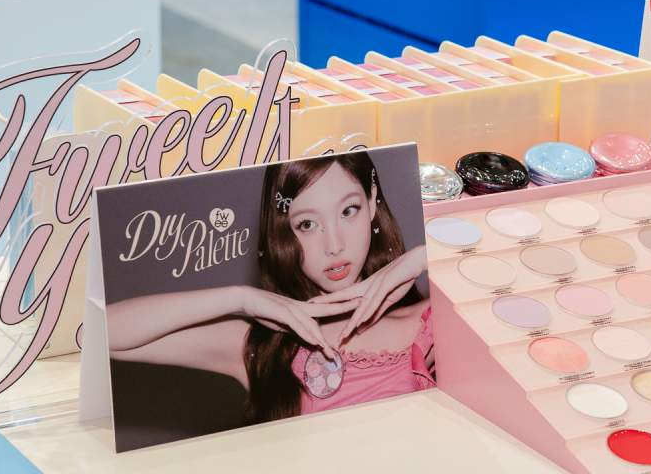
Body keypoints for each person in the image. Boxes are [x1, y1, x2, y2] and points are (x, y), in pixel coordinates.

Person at [106, 153, 433, 422]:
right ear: (284, 233)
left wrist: (424, 256)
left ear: (372, 202)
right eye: (307, 224)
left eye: (349, 211)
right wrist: (240, 298)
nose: (334, 245)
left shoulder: (433, 319)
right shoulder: (265, 349)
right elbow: (103, 333)